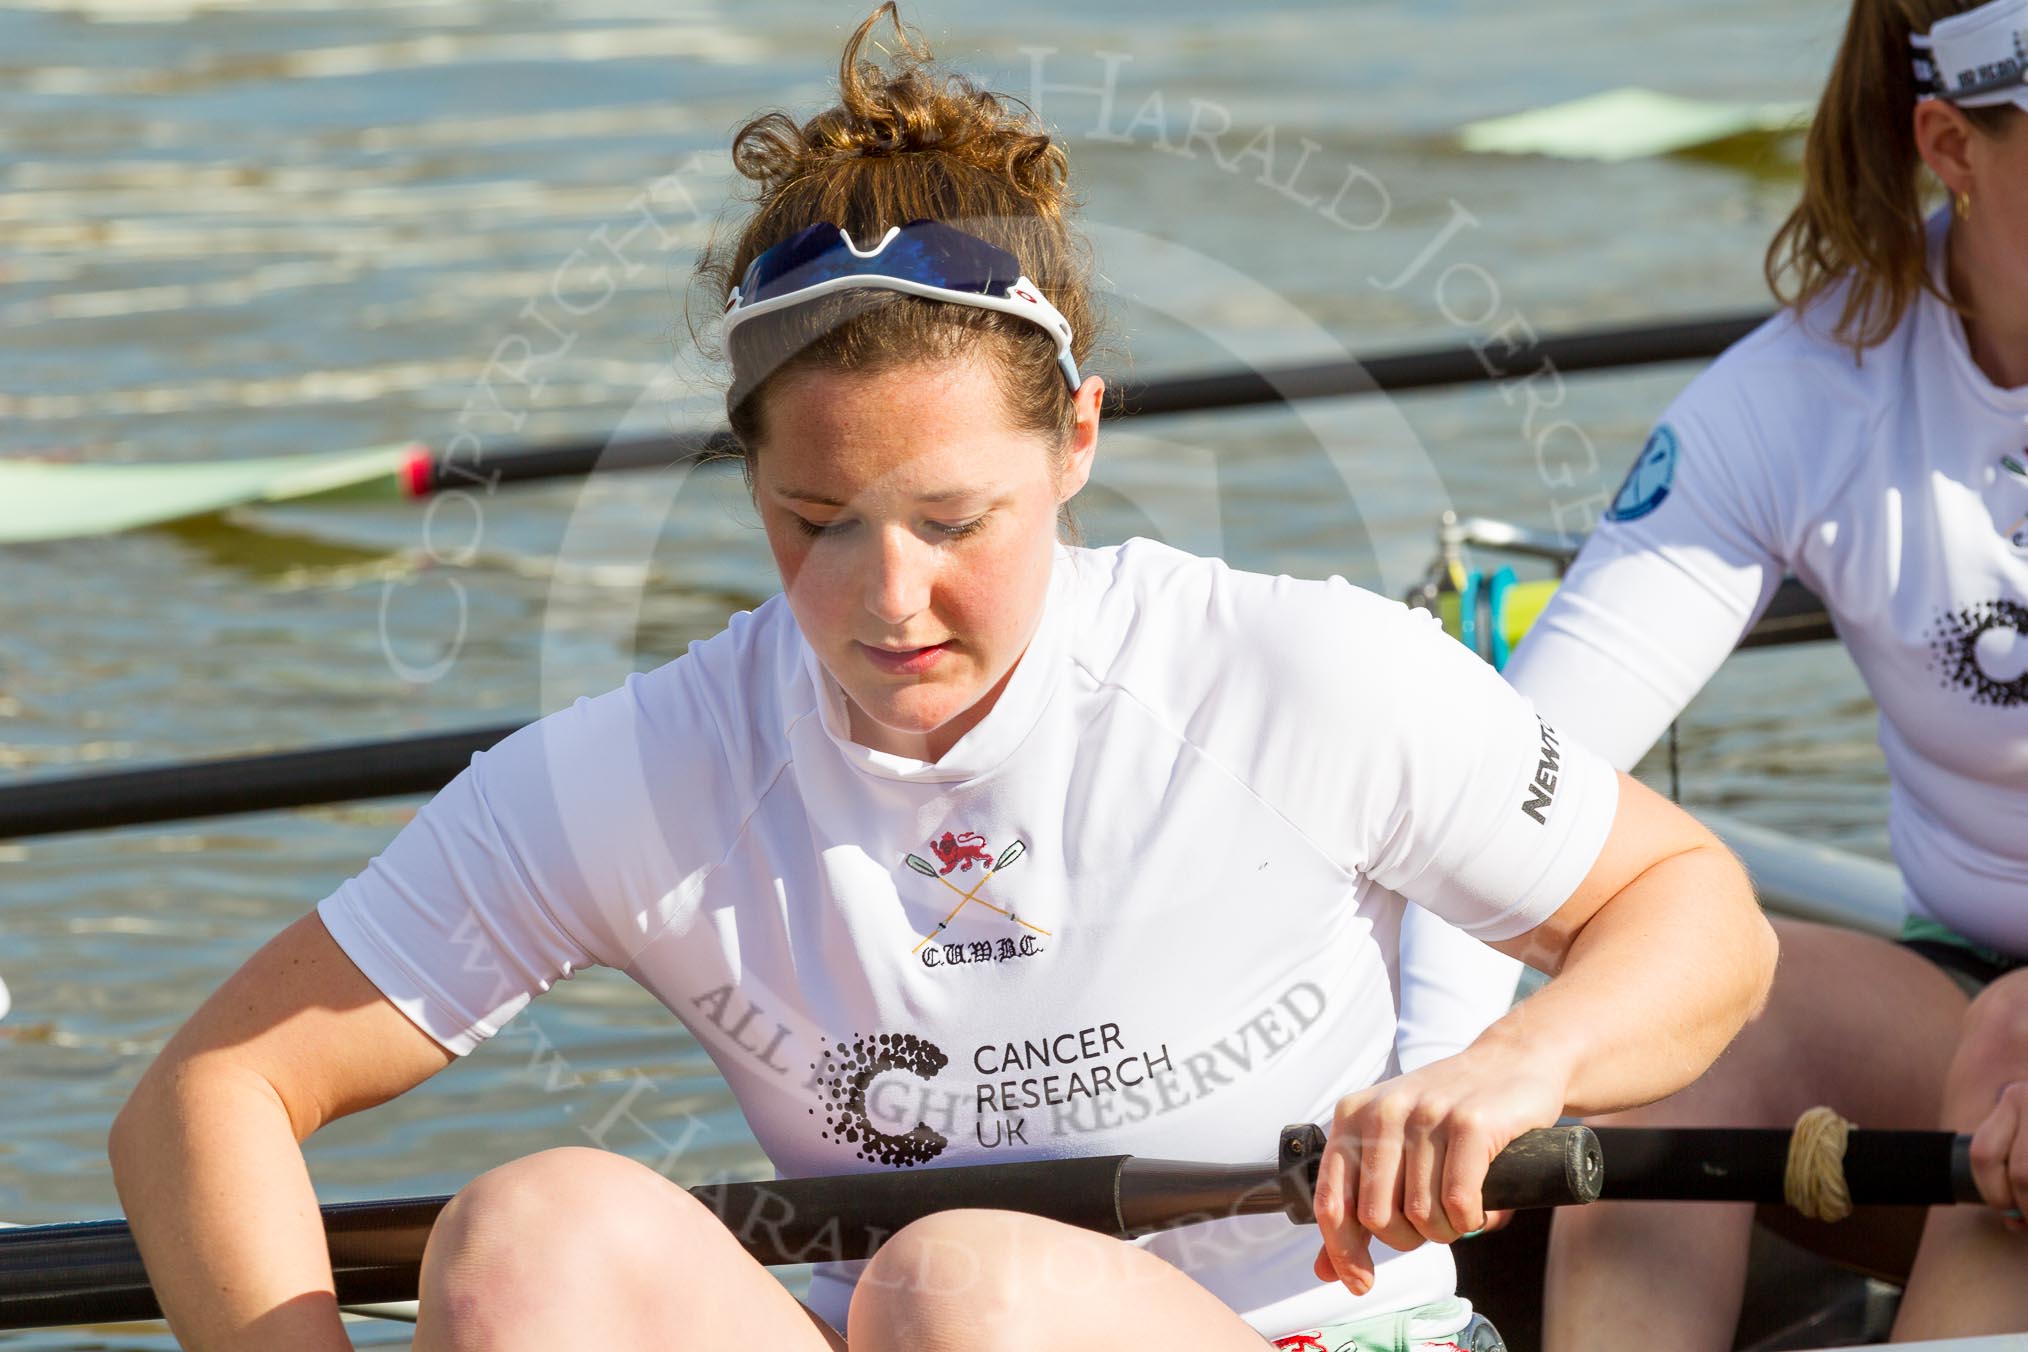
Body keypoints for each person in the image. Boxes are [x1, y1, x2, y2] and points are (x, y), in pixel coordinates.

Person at [107, 8, 1775, 1350]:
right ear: (745, 474)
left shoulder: (1290, 669)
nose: (883, 600)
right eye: (815, 521)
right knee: (533, 1233)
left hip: (1305, 1336)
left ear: (1080, 443)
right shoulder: (648, 766)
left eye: (952, 520)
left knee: (960, 1284)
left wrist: (1517, 1064)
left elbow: (1695, 913)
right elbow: (211, 1093)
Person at [1508, 0, 2028, 1344]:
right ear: (1951, 146)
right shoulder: (1814, 388)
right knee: (1673, 1019)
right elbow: (1511, 785)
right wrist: (1444, 1078)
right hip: (1960, 1014)